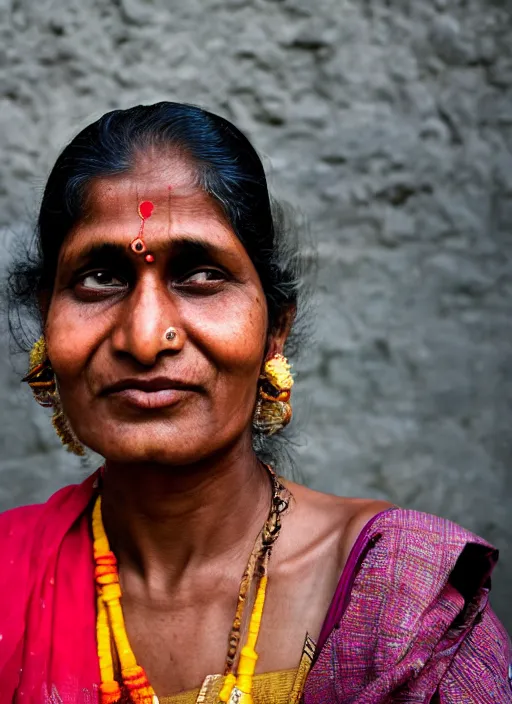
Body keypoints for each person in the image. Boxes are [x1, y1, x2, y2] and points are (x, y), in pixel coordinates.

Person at [0, 102, 510, 704]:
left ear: (275, 329)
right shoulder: (10, 581)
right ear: (46, 325)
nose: (143, 338)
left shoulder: (400, 607)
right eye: (100, 279)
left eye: (201, 275)